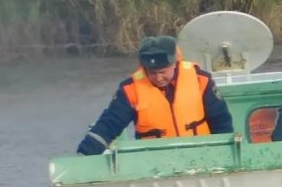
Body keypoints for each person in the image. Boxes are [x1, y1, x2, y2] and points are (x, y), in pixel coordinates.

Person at [75, 36, 233, 155]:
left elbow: (221, 121)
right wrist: (85, 153)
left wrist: (225, 153)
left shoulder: (200, 80)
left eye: (163, 72)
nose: (158, 78)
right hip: (155, 162)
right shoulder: (130, 90)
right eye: (152, 73)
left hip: (202, 155)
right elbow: (109, 124)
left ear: (175, 63)